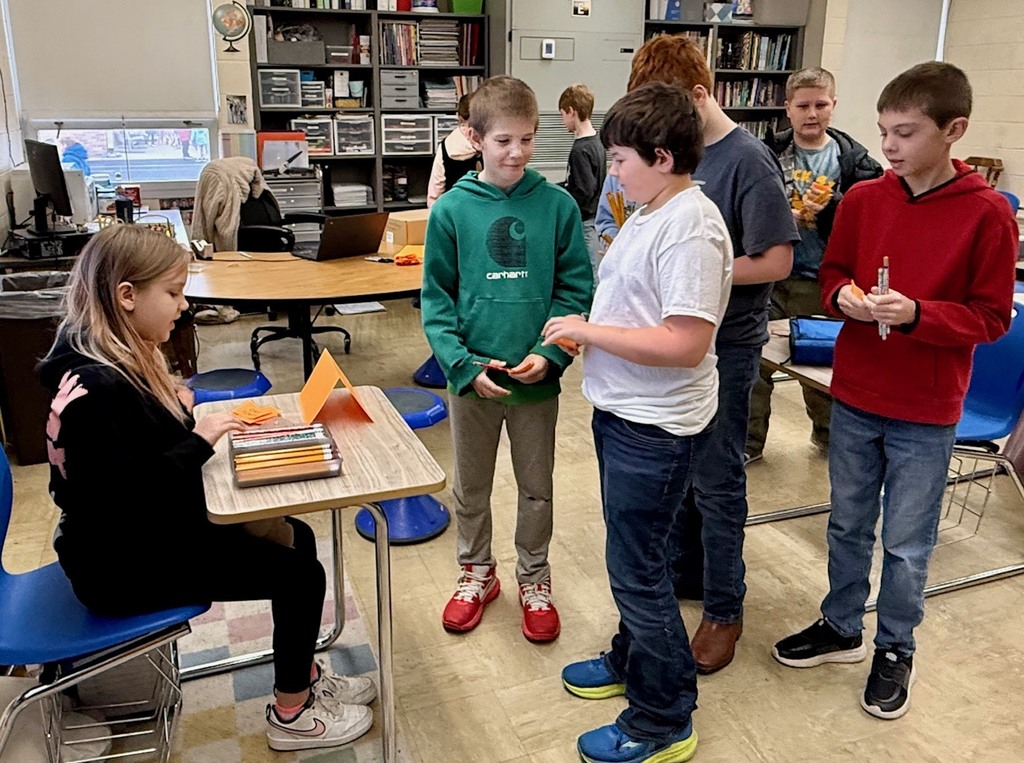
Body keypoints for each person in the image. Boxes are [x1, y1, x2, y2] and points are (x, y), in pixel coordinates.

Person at [38, 225, 378, 753]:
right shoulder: (101, 392)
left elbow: (128, 461)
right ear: (127, 296)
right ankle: (293, 714)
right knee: (300, 575)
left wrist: (181, 413)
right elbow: (132, 495)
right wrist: (196, 438)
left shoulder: (92, 362)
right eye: (172, 293)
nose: (182, 305)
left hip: (124, 538)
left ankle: (302, 676)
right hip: (117, 565)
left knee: (298, 538)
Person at [773, 62, 1017, 720]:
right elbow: (833, 273)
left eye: (905, 132)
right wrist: (842, 298)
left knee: (908, 542)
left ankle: (894, 645)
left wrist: (915, 315)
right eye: (883, 131)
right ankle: (841, 625)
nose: (889, 146)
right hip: (856, 392)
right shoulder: (864, 198)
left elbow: (992, 318)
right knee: (847, 524)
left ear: (953, 130)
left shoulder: (988, 214)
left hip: (926, 411)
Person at [594, 34, 798, 675]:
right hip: (658, 356)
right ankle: (678, 588)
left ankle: (723, 608)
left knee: (716, 484)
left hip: (727, 346)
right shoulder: (654, 181)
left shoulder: (745, 160)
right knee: (671, 492)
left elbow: (778, 259)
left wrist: (690, 275)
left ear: (700, 98)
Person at [545, 81, 733, 763]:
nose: (611, 170)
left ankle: (663, 715)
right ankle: (632, 656)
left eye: (620, 158)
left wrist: (590, 332)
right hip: (626, 412)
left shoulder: (691, 225)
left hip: (655, 427)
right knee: (633, 557)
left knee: (639, 572)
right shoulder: (655, 206)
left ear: (660, 155)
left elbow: (686, 342)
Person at [421, 75, 593, 643]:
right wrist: (462, 366)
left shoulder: (558, 206)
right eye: (502, 141)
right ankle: (475, 573)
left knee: (536, 487)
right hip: (473, 378)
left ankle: (534, 578)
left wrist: (552, 355)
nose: (516, 152)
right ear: (473, 138)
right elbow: (436, 299)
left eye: (526, 139)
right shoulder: (451, 211)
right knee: (470, 486)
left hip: (535, 383)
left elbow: (575, 292)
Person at [746, 67, 883, 463]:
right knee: (755, 366)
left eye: (820, 105)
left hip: (820, 278)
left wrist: (832, 212)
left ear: (833, 106)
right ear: (787, 108)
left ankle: (830, 439)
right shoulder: (767, 154)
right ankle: (750, 443)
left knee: (821, 367)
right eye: (802, 105)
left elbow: (869, 223)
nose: (812, 113)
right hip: (768, 276)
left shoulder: (855, 163)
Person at [558, 83, 606, 280]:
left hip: (587, 221)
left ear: (571, 111)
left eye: (562, 114)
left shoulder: (580, 149)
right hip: (597, 215)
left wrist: (563, 200)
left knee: (592, 274)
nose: (562, 121)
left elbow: (584, 190)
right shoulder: (597, 141)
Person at [426, 93, 481, 208]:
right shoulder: (491, 142)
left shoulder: (446, 146)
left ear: (458, 117)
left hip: (453, 212)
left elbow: (434, 193)